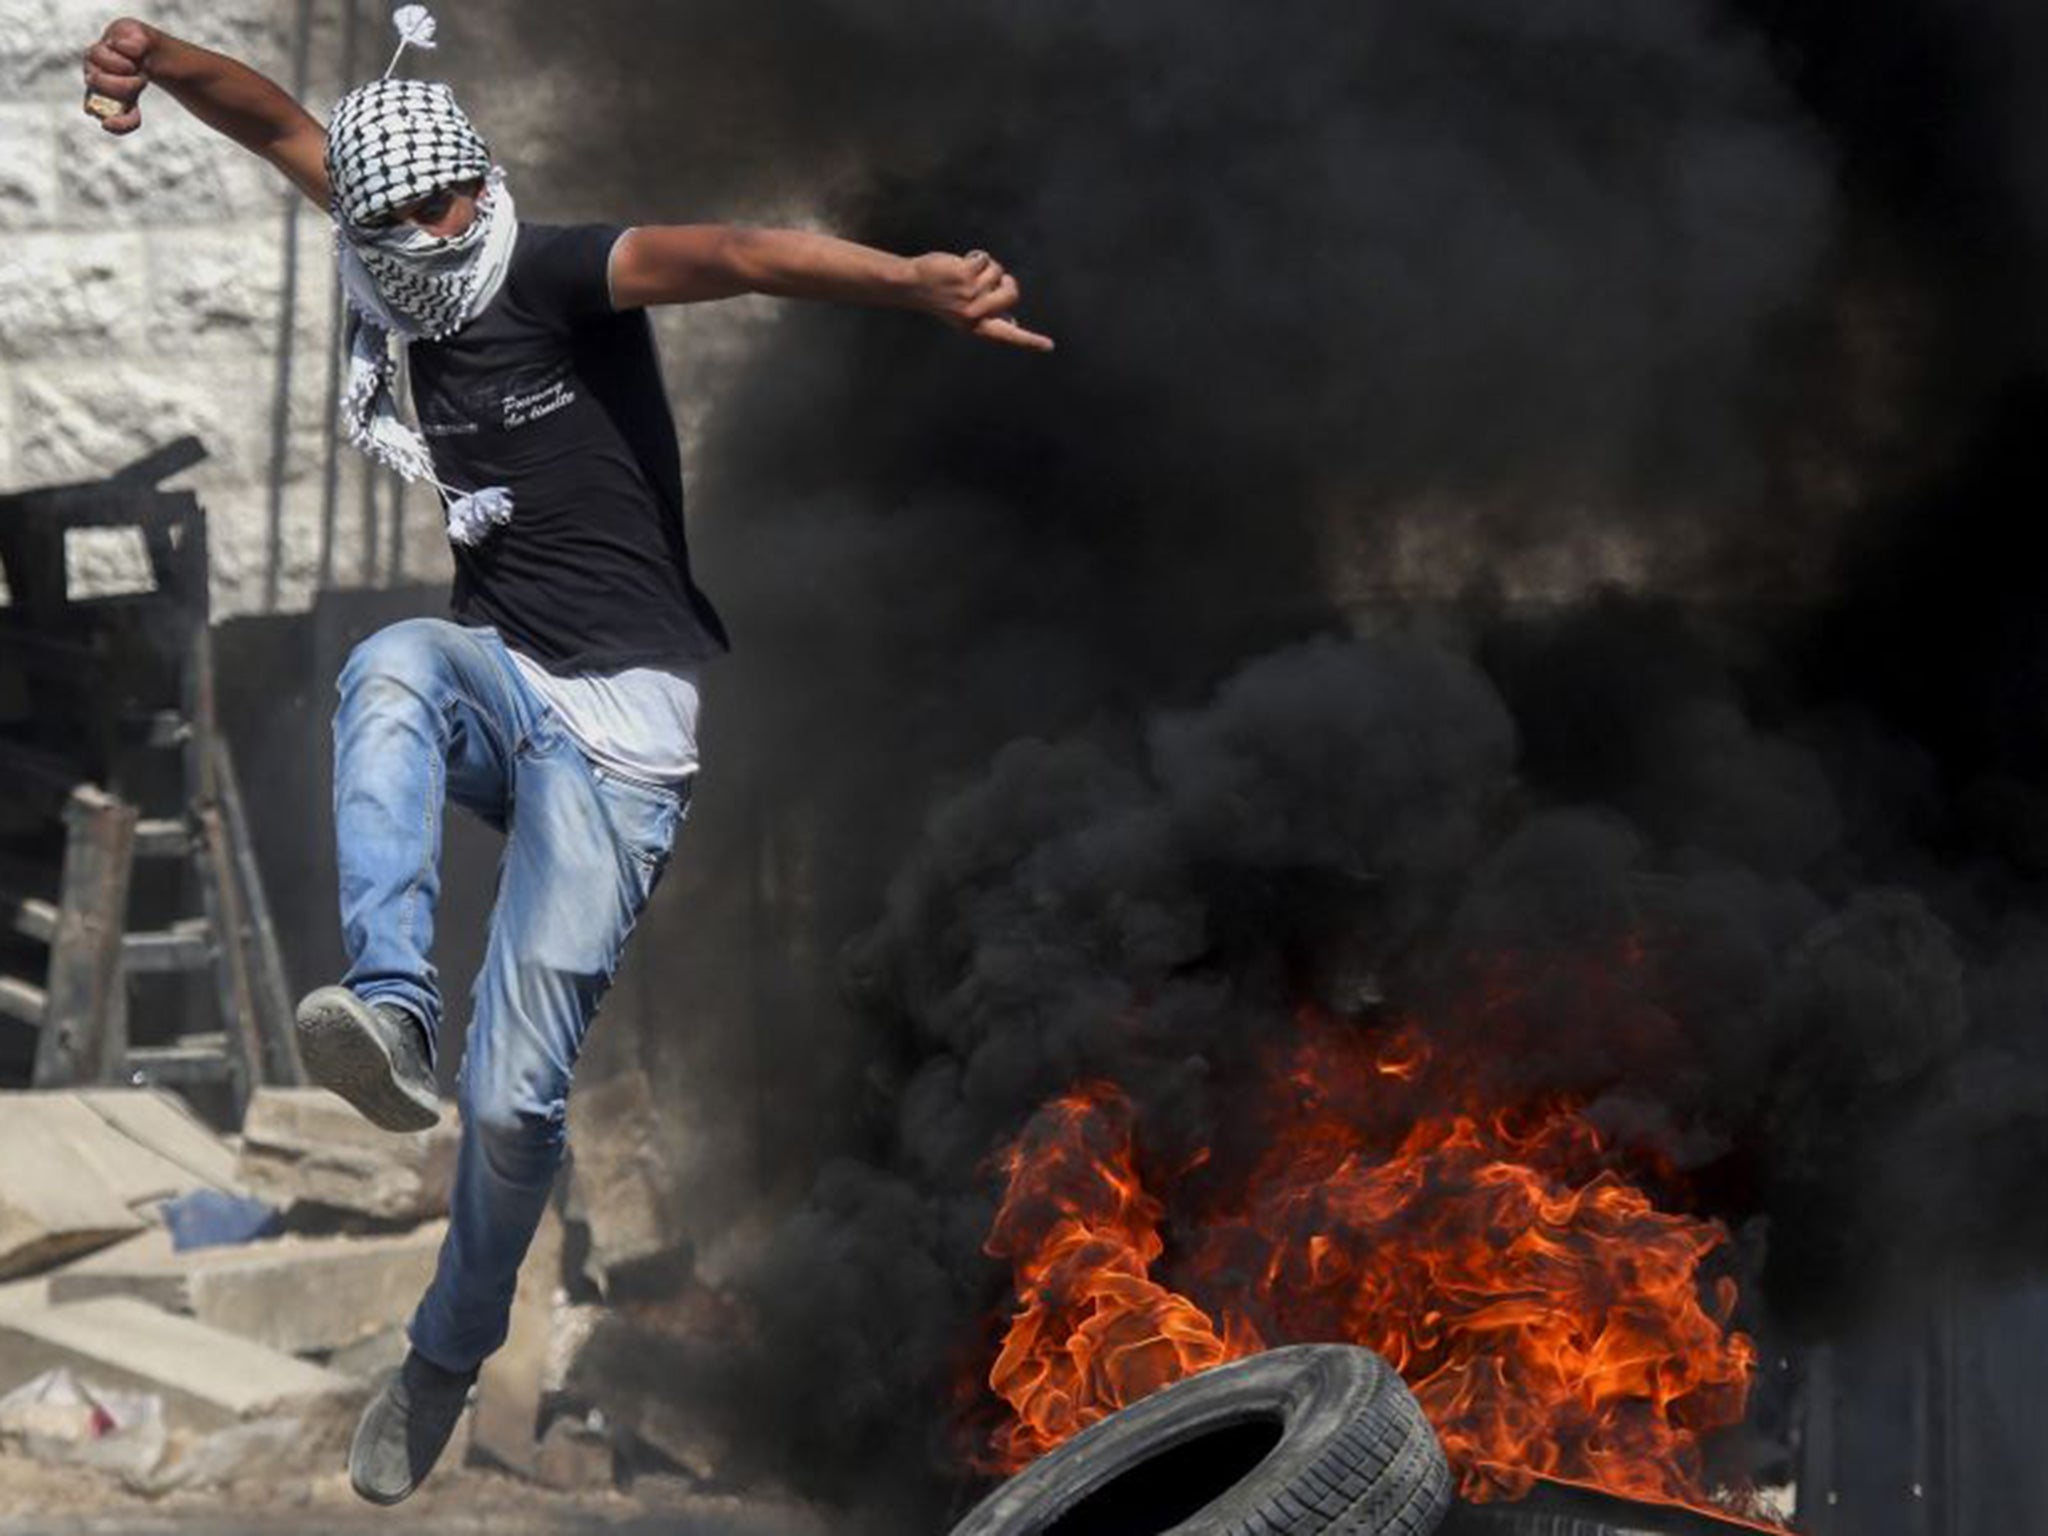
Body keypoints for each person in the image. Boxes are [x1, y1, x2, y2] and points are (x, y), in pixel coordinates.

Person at [81, 13, 1053, 1506]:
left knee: (519, 1104)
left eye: (459, 193)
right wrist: (152, 51)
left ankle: (444, 1352)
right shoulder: (387, 261)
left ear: (484, 178)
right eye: (410, 212)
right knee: (392, 663)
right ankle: (393, 1011)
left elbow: (729, 251)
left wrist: (906, 284)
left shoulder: (545, 270)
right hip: (502, 690)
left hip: (621, 749)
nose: (445, 224)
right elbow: (277, 121)